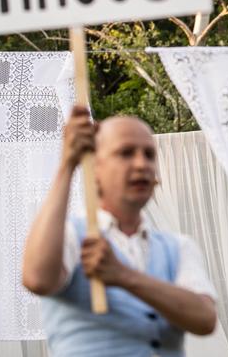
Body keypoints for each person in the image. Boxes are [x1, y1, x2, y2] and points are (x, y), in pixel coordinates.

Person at [22, 106, 216, 356]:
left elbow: (205, 319)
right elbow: (37, 279)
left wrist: (123, 275)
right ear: (96, 169)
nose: (141, 164)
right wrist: (68, 165)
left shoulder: (178, 247)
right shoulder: (70, 235)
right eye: (125, 153)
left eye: (149, 155)